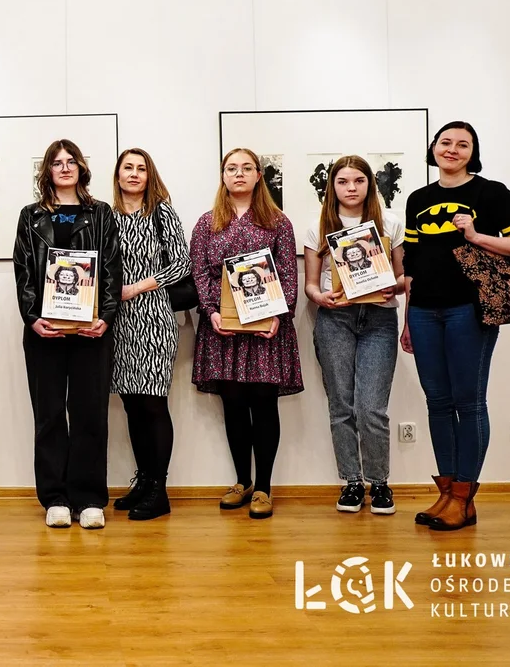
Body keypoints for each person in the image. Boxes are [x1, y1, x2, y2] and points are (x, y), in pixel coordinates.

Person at [402, 121, 510, 531]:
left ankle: (463, 497)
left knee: (469, 402)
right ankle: (446, 494)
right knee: (437, 402)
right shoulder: (418, 199)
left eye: (463, 144)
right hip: (424, 311)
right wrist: (407, 318)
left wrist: (476, 236)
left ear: (472, 153)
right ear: (433, 148)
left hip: (469, 309)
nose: (452, 149)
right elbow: (411, 263)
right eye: (445, 142)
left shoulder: (490, 193)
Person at [188, 147, 302, 520]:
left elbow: (288, 272)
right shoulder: (207, 223)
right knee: (234, 405)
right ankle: (242, 482)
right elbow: (200, 272)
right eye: (231, 168)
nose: (239, 173)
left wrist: (279, 315)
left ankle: (264, 487)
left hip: (265, 329)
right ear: (223, 176)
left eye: (246, 167)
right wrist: (211, 311)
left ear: (258, 175)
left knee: (264, 404)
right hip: (223, 329)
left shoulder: (278, 222)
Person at [13, 139, 122, 529]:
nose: (64, 167)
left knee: (90, 413)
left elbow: (111, 268)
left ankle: (88, 498)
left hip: (91, 332)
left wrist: (106, 316)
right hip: (44, 332)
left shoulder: (101, 213)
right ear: (47, 171)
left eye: (71, 161)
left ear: (81, 168)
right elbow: (23, 270)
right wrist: (32, 317)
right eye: (57, 162)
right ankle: (55, 498)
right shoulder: (30, 216)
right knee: (49, 415)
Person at [302, 155, 405, 515]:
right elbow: (310, 285)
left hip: (379, 318)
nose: (351, 188)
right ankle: (351, 482)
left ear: (369, 184)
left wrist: (394, 286)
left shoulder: (390, 222)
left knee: (371, 407)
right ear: (332, 186)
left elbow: (403, 277)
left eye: (358, 181)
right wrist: (320, 297)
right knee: (341, 405)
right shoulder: (318, 226)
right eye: (343, 181)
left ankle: (379, 482)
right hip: (336, 319)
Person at [107, 148, 191, 521]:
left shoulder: (161, 213)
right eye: (128, 167)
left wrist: (138, 287)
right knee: (132, 404)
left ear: (149, 175)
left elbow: (182, 263)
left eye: (141, 168)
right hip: (119, 323)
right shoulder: (106, 217)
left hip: (154, 317)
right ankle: (143, 481)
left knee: (153, 403)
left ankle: (159, 490)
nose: (134, 174)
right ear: (118, 175)